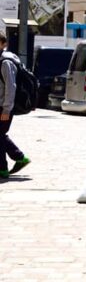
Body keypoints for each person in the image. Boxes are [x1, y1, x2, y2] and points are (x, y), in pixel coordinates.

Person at [0, 31, 31, 179]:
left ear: (3, 44)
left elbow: (10, 87)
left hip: (4, 106)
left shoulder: (6, 62)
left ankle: (3, 169)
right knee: (0, 135)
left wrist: (6, 109)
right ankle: (19, 157)